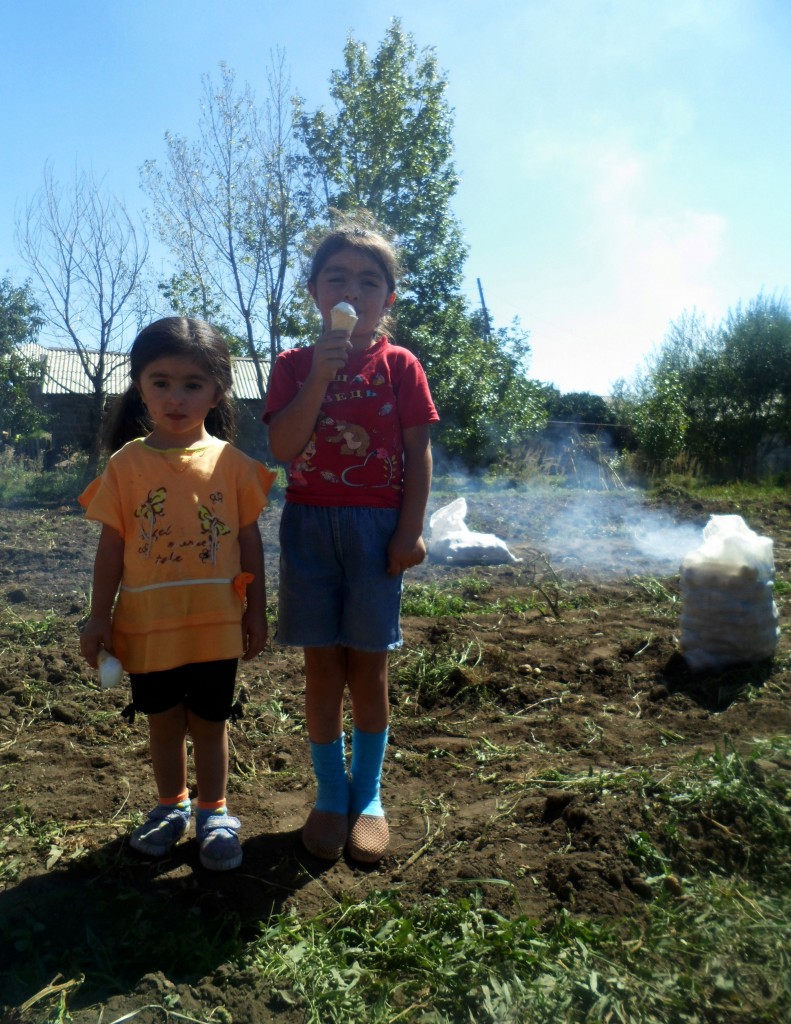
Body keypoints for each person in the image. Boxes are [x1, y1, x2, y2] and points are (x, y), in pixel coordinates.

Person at [263, 224, 439, 863]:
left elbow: (418, 456)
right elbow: (283, 449)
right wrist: (320, 372)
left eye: (370, 281)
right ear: (314, 292)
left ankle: (369, 795)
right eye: (337, 276)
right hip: (309, 526)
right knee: (321, 665)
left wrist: (410, 529)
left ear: (387, 300)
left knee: (368, 663)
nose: (352, 289)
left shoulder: (400, 367)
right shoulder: (290, 366)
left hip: (374, 531)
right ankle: (330, 793)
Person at [79, 317, 275, 871]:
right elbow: (112, 549)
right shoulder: (125, 466)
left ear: (218, 390)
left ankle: (215, 812)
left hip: (214, 624)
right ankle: (171, 806)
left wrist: (257, 611)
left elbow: (249, 543)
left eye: (193, 383)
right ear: (139, 385)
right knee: (163, 722)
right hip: (148, 625)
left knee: (211, 725)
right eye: (160, 381)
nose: (176, 397)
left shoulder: (233, 466)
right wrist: (99, 617)